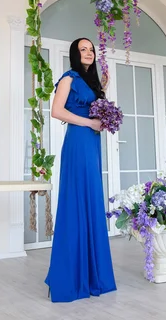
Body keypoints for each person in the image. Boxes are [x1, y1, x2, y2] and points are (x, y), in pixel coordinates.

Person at [44, 37, 117, 302]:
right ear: (75, 54)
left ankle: (92, 274)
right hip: (78, 142)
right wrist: (88, 123)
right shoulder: (68, 78)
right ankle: (69, 277)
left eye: (91, 50)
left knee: (91, 201)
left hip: (92, 144)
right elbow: (56, 111)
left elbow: (90, 105)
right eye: (82, 49)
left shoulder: (91, 81)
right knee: (76, 203)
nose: (88, 53)